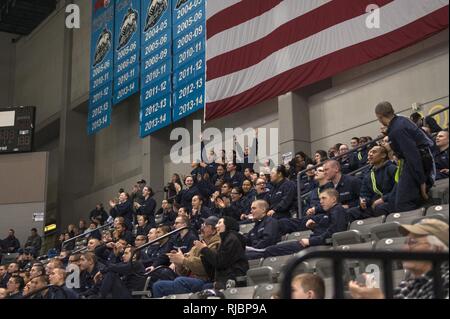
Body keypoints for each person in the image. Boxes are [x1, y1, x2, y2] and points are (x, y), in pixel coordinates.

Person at [349, 219, 449, 299]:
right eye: (405, 242)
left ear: (437, 249)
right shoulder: (407, 284)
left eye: (413, 242)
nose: (404, 249)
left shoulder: (446, 281)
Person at [376, 102, 435, 212]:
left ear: (379, 116)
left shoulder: (397, 129)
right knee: (398, 202)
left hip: (417, 163)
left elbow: (413, 155)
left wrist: (422, 181)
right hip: (418, 161)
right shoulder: (401, 120)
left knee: (403, 204)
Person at [259, 189, 348, 258]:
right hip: (314, 243)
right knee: (272, 249)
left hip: (316, 245)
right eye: (320, 199)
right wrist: (314, 227)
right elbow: (326, 230)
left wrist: (310, 241)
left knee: (271, 250)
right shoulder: (330, 212)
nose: (320, 201)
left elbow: (333, 234)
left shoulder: (338, 210)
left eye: (324, 198)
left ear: (333, 199)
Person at [152, 216, 221, 297]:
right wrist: (178, 264)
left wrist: (183, 260)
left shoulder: (216, 244)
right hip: (190, 278)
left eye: (206, 226)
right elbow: (184, 271)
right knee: (158, 285)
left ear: (214, 230)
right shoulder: (197, 245)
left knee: (180, 281)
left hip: (204, 279)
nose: (202, 228)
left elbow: (205, 267)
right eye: (202, 225)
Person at [195, 216, 249, 290]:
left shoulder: (232, 239)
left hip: (232, 280)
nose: (216, 226)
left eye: (219, 223)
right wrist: (204, 253)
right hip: (224, 279)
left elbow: (220, 262)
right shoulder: (226, 239)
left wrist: (204, 249)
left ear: (227, 225)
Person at [347, 145, 397, 221]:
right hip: (374, 205)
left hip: (391, 201)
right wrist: (364, 201)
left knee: (380, 208)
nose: (370, 154)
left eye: (374, 152)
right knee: (351, 212)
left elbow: (398, 189)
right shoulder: (368, 174)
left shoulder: (391, 168)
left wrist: (383, 199)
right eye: (369, 152)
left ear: (383, 155)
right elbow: (364, 193)